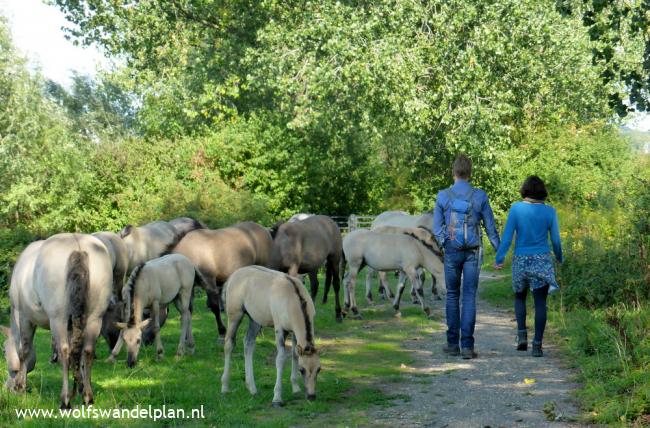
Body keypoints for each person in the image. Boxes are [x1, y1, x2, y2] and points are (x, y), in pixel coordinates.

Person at [433, 155, 500, 359]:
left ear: (453, 172)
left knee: (453, 295)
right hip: (472, 252)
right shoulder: (479, 196)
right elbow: (490, 228)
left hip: (452, 252)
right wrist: (500, 252)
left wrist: (446, 243)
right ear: (470, 173)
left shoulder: (443, 196)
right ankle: (468, 347)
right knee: (469, 296)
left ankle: (452, 344)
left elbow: (437, 229)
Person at [494, 176, 563, 357]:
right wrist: (559, 257)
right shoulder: (550, 212)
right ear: (542, 192)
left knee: (519, 298)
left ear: (524, 190)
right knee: (540, 303)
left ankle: (522, 335)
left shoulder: (516, 209)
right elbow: (555, 240)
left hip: (520, 260)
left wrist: (499, 258)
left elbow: (508, 237)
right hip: (542, 261)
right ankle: (537, 345)